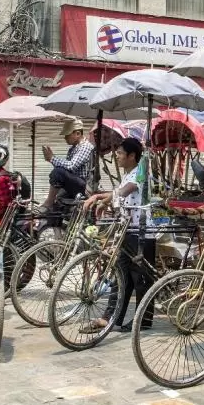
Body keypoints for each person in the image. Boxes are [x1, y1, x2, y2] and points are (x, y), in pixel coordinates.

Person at [81, 137, 155, 334]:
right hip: (127, 232)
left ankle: (144, 320)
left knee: (140, 280)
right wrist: (100, 197)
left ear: (132, 156)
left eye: (121, 153)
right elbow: (118, 192)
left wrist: (99, 197)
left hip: (142, 233)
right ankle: (111, 317)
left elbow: (124, 191)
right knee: (121, 277)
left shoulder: (140, 173)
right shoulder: (128, 173)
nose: (117, 156)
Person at [41, 119, 95, 209]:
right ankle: (52, 203)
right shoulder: (72, 149)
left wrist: (52, 158)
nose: (65, 137)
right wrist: (52, 159)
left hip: (84, 186)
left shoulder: (86, 146)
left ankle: (49, 202)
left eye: (67, 135)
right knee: (59, 197)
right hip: (75, 183)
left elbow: (71, 166)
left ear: (77, 134)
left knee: (58, 172)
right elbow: (65, 170)